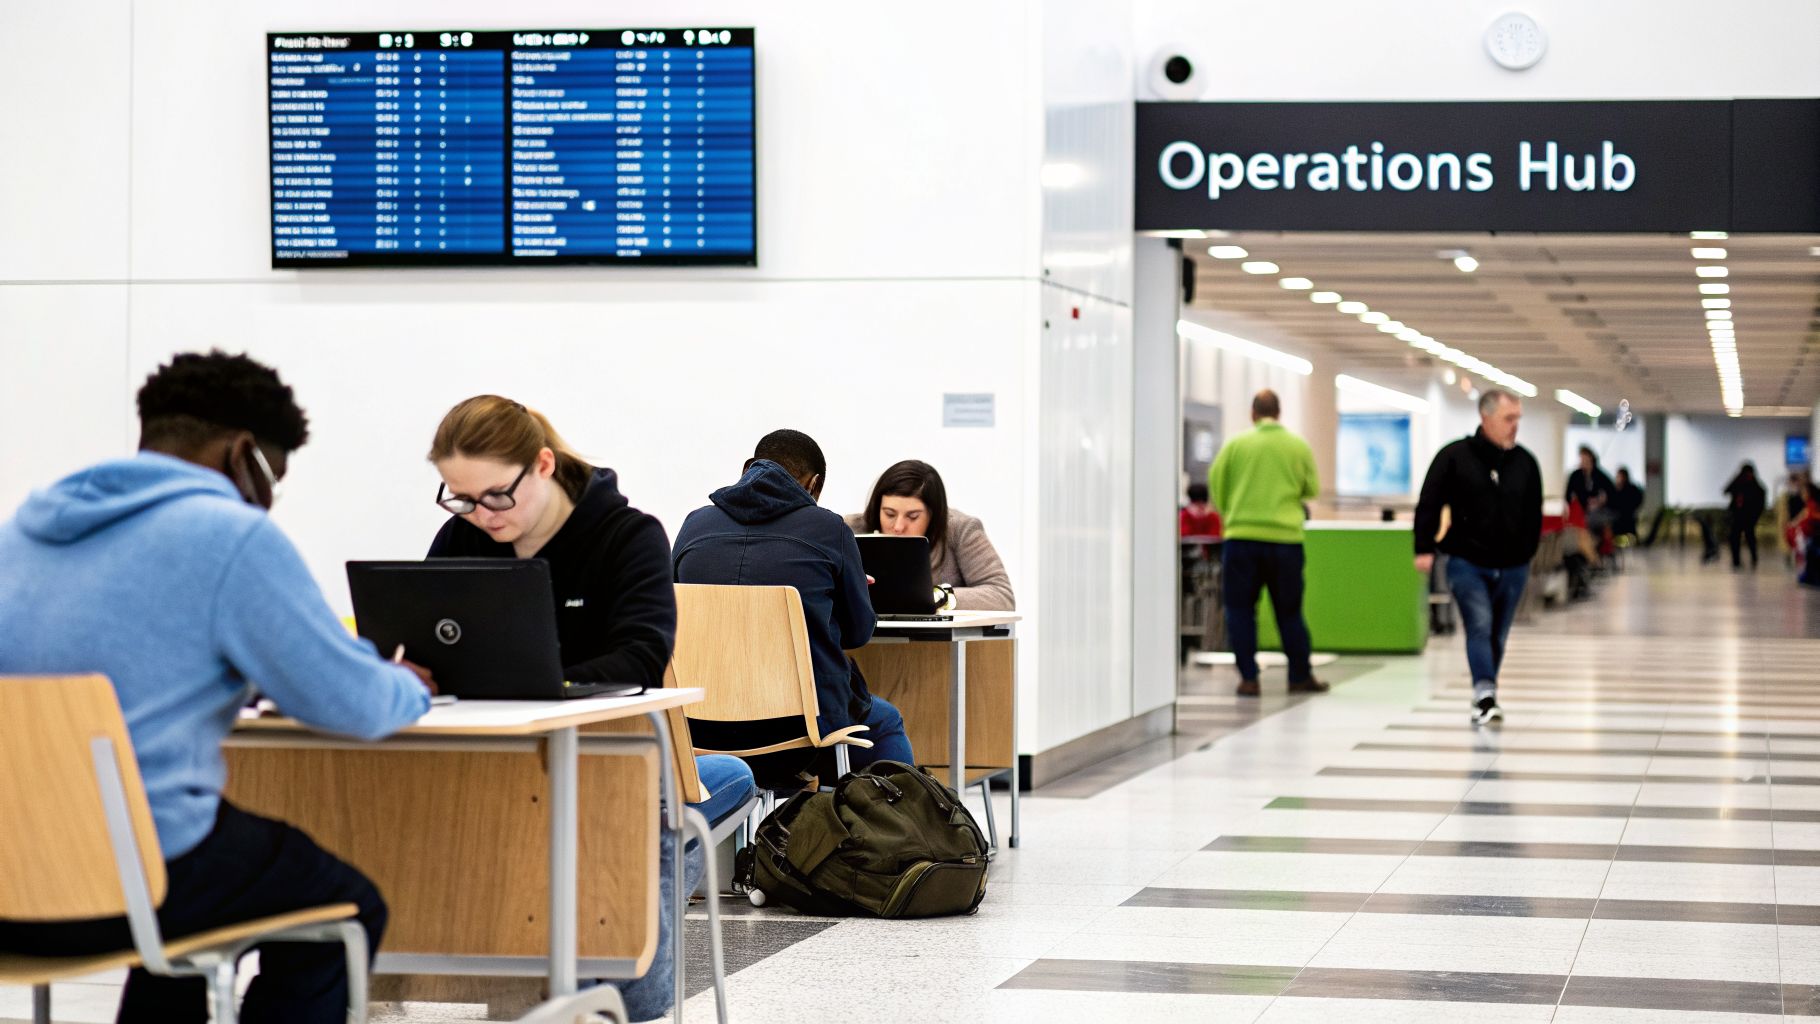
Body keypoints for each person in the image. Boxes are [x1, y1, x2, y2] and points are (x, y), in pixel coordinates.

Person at [0, 351, 432, 1023]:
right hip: (135, 877)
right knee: (344, 905)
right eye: (271, 480)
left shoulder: (19, 535)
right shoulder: (229, 534)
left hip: (15, 877)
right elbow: (354, 705)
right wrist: (406, 684)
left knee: (198, 911)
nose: (264, 500)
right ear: (243, 456)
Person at [424, 395, 754, 1022]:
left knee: (698, 799)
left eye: (495, 495)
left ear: (543, 465)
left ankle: (632, 941)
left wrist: (532, 684)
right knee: (711, 792)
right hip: (487, 770)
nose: (480, 515)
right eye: (459, 498)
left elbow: (642, 656)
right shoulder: (462, 533)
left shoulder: (627, 537)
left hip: (610, 761)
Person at [673, 429, 914, 777]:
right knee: (885, 720)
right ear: (814, 485)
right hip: (797, 726)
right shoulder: (830, 529)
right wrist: (840, 591)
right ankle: (893, 824)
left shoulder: (694, 525)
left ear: (747, 468)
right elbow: (859, 633)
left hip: (699, 723)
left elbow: (671, 618)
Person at [1412, 388, 1543, 726]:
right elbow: (1429, 502)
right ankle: (1484, 694)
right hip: (1467, 562)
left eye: (1518, 419)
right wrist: (1423, 548)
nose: (1515, 426)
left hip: (1513, 565)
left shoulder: (1525, 463)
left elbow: (1533, 514)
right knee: (1479, 627)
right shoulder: (1454, 457)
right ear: (1485, 418)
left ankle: (1486, 692)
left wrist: (1527, 553)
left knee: (1497, 634)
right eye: (1508, 419)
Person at [1207, 389, 1327, 698]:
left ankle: (1249, 678)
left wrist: (1233, 514)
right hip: (1285, 541)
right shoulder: (1297, 446)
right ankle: (1299, 676)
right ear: (1279, 412)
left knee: (1240, 610)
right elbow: (1311, 487)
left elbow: (1216, 485)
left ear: (1253, 413)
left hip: (1242, 539)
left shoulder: (1236, 444)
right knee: (1289, 611)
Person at [845, 459, 1014, 610]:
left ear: (933, 515)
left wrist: (938, 596)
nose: (898, 526)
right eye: (889, 514)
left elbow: (1002, 595)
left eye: (913, 516)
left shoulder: (960, 530)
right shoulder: (849, 529)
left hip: (940, 642)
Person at [1565, 446, 1617, 562]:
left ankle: (1598, 553)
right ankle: (1591, 555)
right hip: (1583, 512)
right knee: (1580, 528)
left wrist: (1601, 501)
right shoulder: (1576, 476)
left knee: (1593, 523)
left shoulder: (1601, 476)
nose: (1583, 462)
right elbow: (1568, 495)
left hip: (1600, 512)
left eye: (1585, 459)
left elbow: (1611, 494)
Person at [1724, 461, 1768, 570]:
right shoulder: (1738, 482)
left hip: (1749, 517)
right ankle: (1736, 561)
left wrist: (1756, 515)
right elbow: (1726, 490)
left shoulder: (1756, 486)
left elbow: (1761, 500)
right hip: (1737, 516)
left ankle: (1753, 558)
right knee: (1735, 538)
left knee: (1750, 538)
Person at [1610, 466, 1645, 539]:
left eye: (1621, 477)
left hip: (1628, 516)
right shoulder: (1614, 490)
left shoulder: (1632, 489)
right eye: (1618, 477)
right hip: (1616, 517)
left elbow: (1637, 501)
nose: (1619, 479)